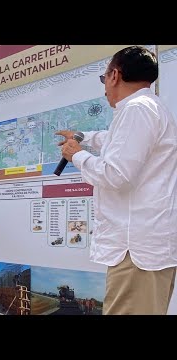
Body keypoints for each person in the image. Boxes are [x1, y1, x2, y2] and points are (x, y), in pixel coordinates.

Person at [56, 45, 177, 315]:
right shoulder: (144, 108)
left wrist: (77, 156)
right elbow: (115, 141)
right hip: (142, 250)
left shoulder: (138, 109)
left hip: (136, 252)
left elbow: (115, 174)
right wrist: (83, 137)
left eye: (104, 79)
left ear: (114, 75)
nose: (105, 88)